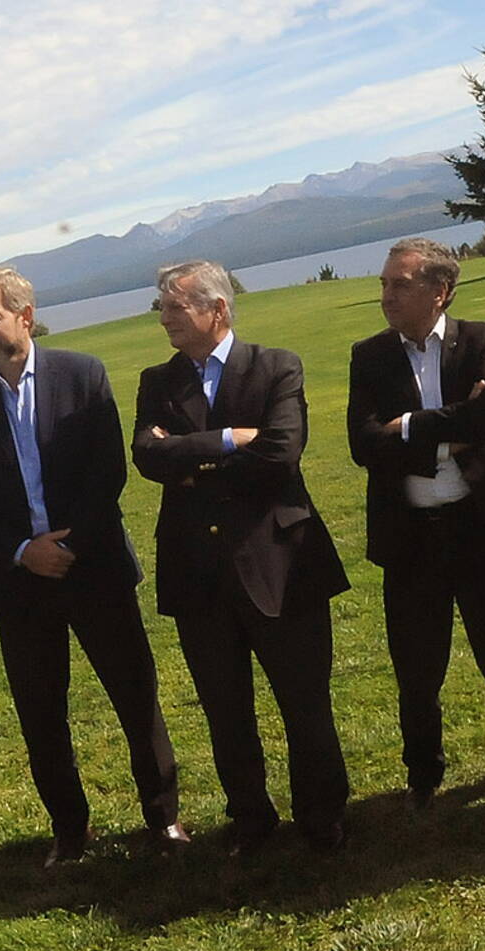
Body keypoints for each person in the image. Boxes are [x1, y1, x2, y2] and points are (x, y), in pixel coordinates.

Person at [0, 266, 187, 866]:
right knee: (41, 713)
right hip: (18, 582)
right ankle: (71, 831)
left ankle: (163, 818)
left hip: (94, 568)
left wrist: (68, 545)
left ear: (24, 316)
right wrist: (24, 551)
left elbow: (107, 473)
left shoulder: (82, 374)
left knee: (136, 695)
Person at [131, 260, 350, 855]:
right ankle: (250, 819)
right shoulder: (157, 380)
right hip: (197, 573)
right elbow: (147, 458)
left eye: (175, 306)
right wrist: (230, 440)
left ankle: (321, 815)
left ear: (217, 310)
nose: (164, 317)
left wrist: (189, 459)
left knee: (305, 704)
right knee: (226, 713)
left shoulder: (277, 366)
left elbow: (280, 454)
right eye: (163, 306)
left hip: (282, 564)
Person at [347, 238, 485, 810]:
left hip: (483, 529)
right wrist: (439, 433)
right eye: (384, 283)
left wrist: (403, 427)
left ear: (440, 292)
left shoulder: (481, 338)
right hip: (412, 536)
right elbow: (363, 443)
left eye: (398, 284)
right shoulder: (370, 356)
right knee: (416, 667)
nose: (385, 295)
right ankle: (424, 775)